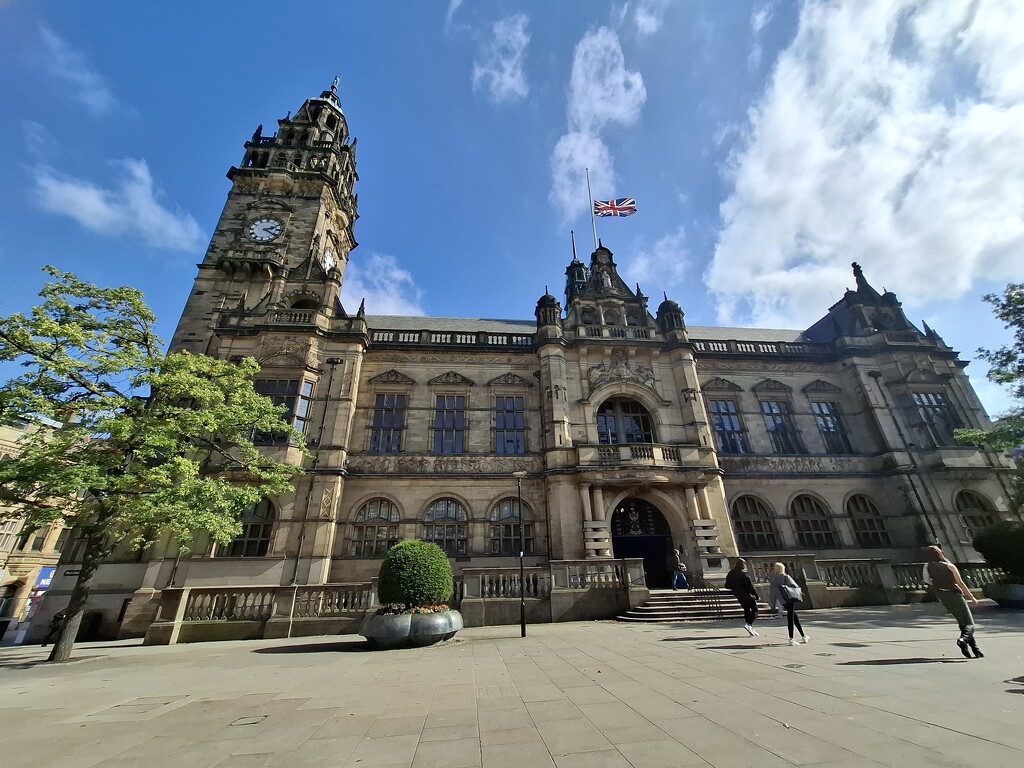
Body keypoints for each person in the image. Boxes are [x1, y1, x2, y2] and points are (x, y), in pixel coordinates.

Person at [924, 545, 983, 658]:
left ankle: (975, 650)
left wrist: (938, 584)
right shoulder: (950, 566)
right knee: (970, 623)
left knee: (962, 622)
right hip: (954, 594)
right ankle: (963, 640)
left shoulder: (927, 566)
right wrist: (971, 597)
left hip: (942, 594)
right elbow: (960, 583)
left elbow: (927, 581)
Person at [768, 563, 809, 646]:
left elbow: (772, 593)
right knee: (791, 618)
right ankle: (791, 638)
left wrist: (772, 603)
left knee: (794, 616)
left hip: (782, 600)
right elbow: (794, 586)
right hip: (789, 598)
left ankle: (803, 636)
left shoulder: (772, 579)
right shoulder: (785, 577)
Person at [725, 558, 760, 636]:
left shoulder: (731, 573)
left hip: (738, 595)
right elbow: (751, 586)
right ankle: (749, 624)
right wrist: (756, 595)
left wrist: (735, 588)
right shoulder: (744, 574)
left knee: (746, 609)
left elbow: (727, 585)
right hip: (747, 595)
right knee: (755, 610)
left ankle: (750, 627)